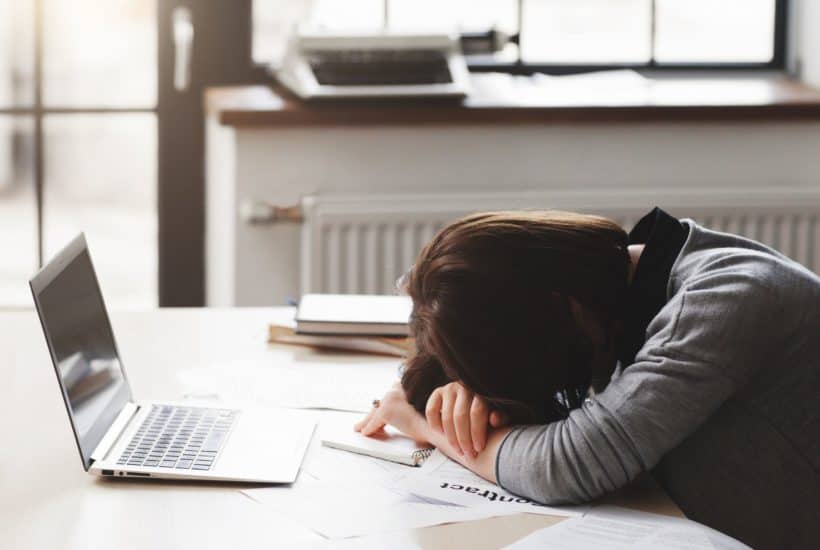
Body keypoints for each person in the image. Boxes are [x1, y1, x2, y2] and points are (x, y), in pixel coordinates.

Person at [354, 207, 819, 550]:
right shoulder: (607, 295)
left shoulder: (723, 301)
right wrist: (451, 394)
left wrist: (424, 426)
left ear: (565, 310)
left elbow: (569, 464)